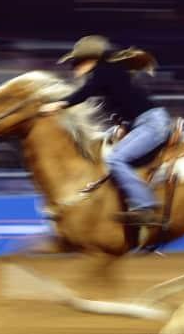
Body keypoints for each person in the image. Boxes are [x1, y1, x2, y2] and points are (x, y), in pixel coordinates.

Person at [39, 35, 172, 226]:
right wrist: (124, 126)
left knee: (115, 158)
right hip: (145, 122)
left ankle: (146, 207)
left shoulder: (104, 71)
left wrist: (58, 105)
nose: (74, 67)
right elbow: (126, 102)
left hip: (152, 124)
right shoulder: (110, 73)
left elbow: (84, 93)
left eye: (77, 62)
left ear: (91, 59)